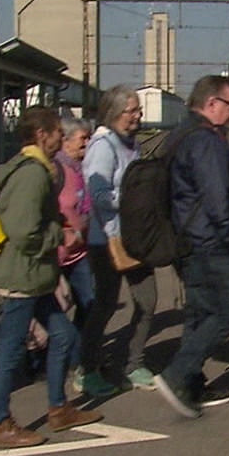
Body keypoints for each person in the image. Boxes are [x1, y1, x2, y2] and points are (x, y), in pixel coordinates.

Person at [0, 105, 102, 448]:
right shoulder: (33, 174)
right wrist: (60, 236)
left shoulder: (37, 169)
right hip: (23, 277)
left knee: (63, 336)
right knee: (9, 350)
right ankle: (1, 423)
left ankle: (58, 407)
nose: (60, 137)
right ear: (42, 135)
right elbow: (24, 231)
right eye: (56, 132)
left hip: (36, 276)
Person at [153, 76, 229, 419]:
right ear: (212, 103)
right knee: (228, 312)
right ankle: (177, 376)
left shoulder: (182, 132)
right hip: (208, 244)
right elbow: (217, 199)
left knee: (200, 313)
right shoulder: (206, 142)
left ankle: (192, 384)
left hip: (189, 241)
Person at [80, 86, 159, 396]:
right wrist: (134, 199)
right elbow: (98, 195)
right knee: (105, 305)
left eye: (138, 110)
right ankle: (86, 369)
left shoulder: (130, 144)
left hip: (134, 236)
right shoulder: (103, 146)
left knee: (147, 300)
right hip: (107, 239)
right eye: (132, 111)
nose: (138, 115)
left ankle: (134, 363)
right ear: (114, 113)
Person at [55, 117, 94, 330]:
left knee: (88, 302)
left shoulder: (81, 168)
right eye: (82, 138)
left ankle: (79, 356)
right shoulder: (56, 170)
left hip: (80, 252)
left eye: (89, 137)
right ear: (65, 141)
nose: (87, 143)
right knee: (57, 308)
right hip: (59, 253)